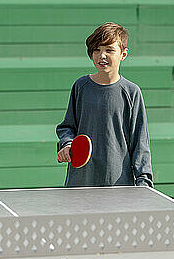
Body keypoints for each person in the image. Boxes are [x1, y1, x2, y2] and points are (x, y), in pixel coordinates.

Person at [56, 22, 154, 187]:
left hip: (118, 184)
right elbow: (67, 127)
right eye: (97, 50)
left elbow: (140, 142)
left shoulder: (132, 92)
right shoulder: (80, 86)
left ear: (123, 54)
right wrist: (67, 144)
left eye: (109, 50)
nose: (102, 56)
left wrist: (144, 182)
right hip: (80, 182)